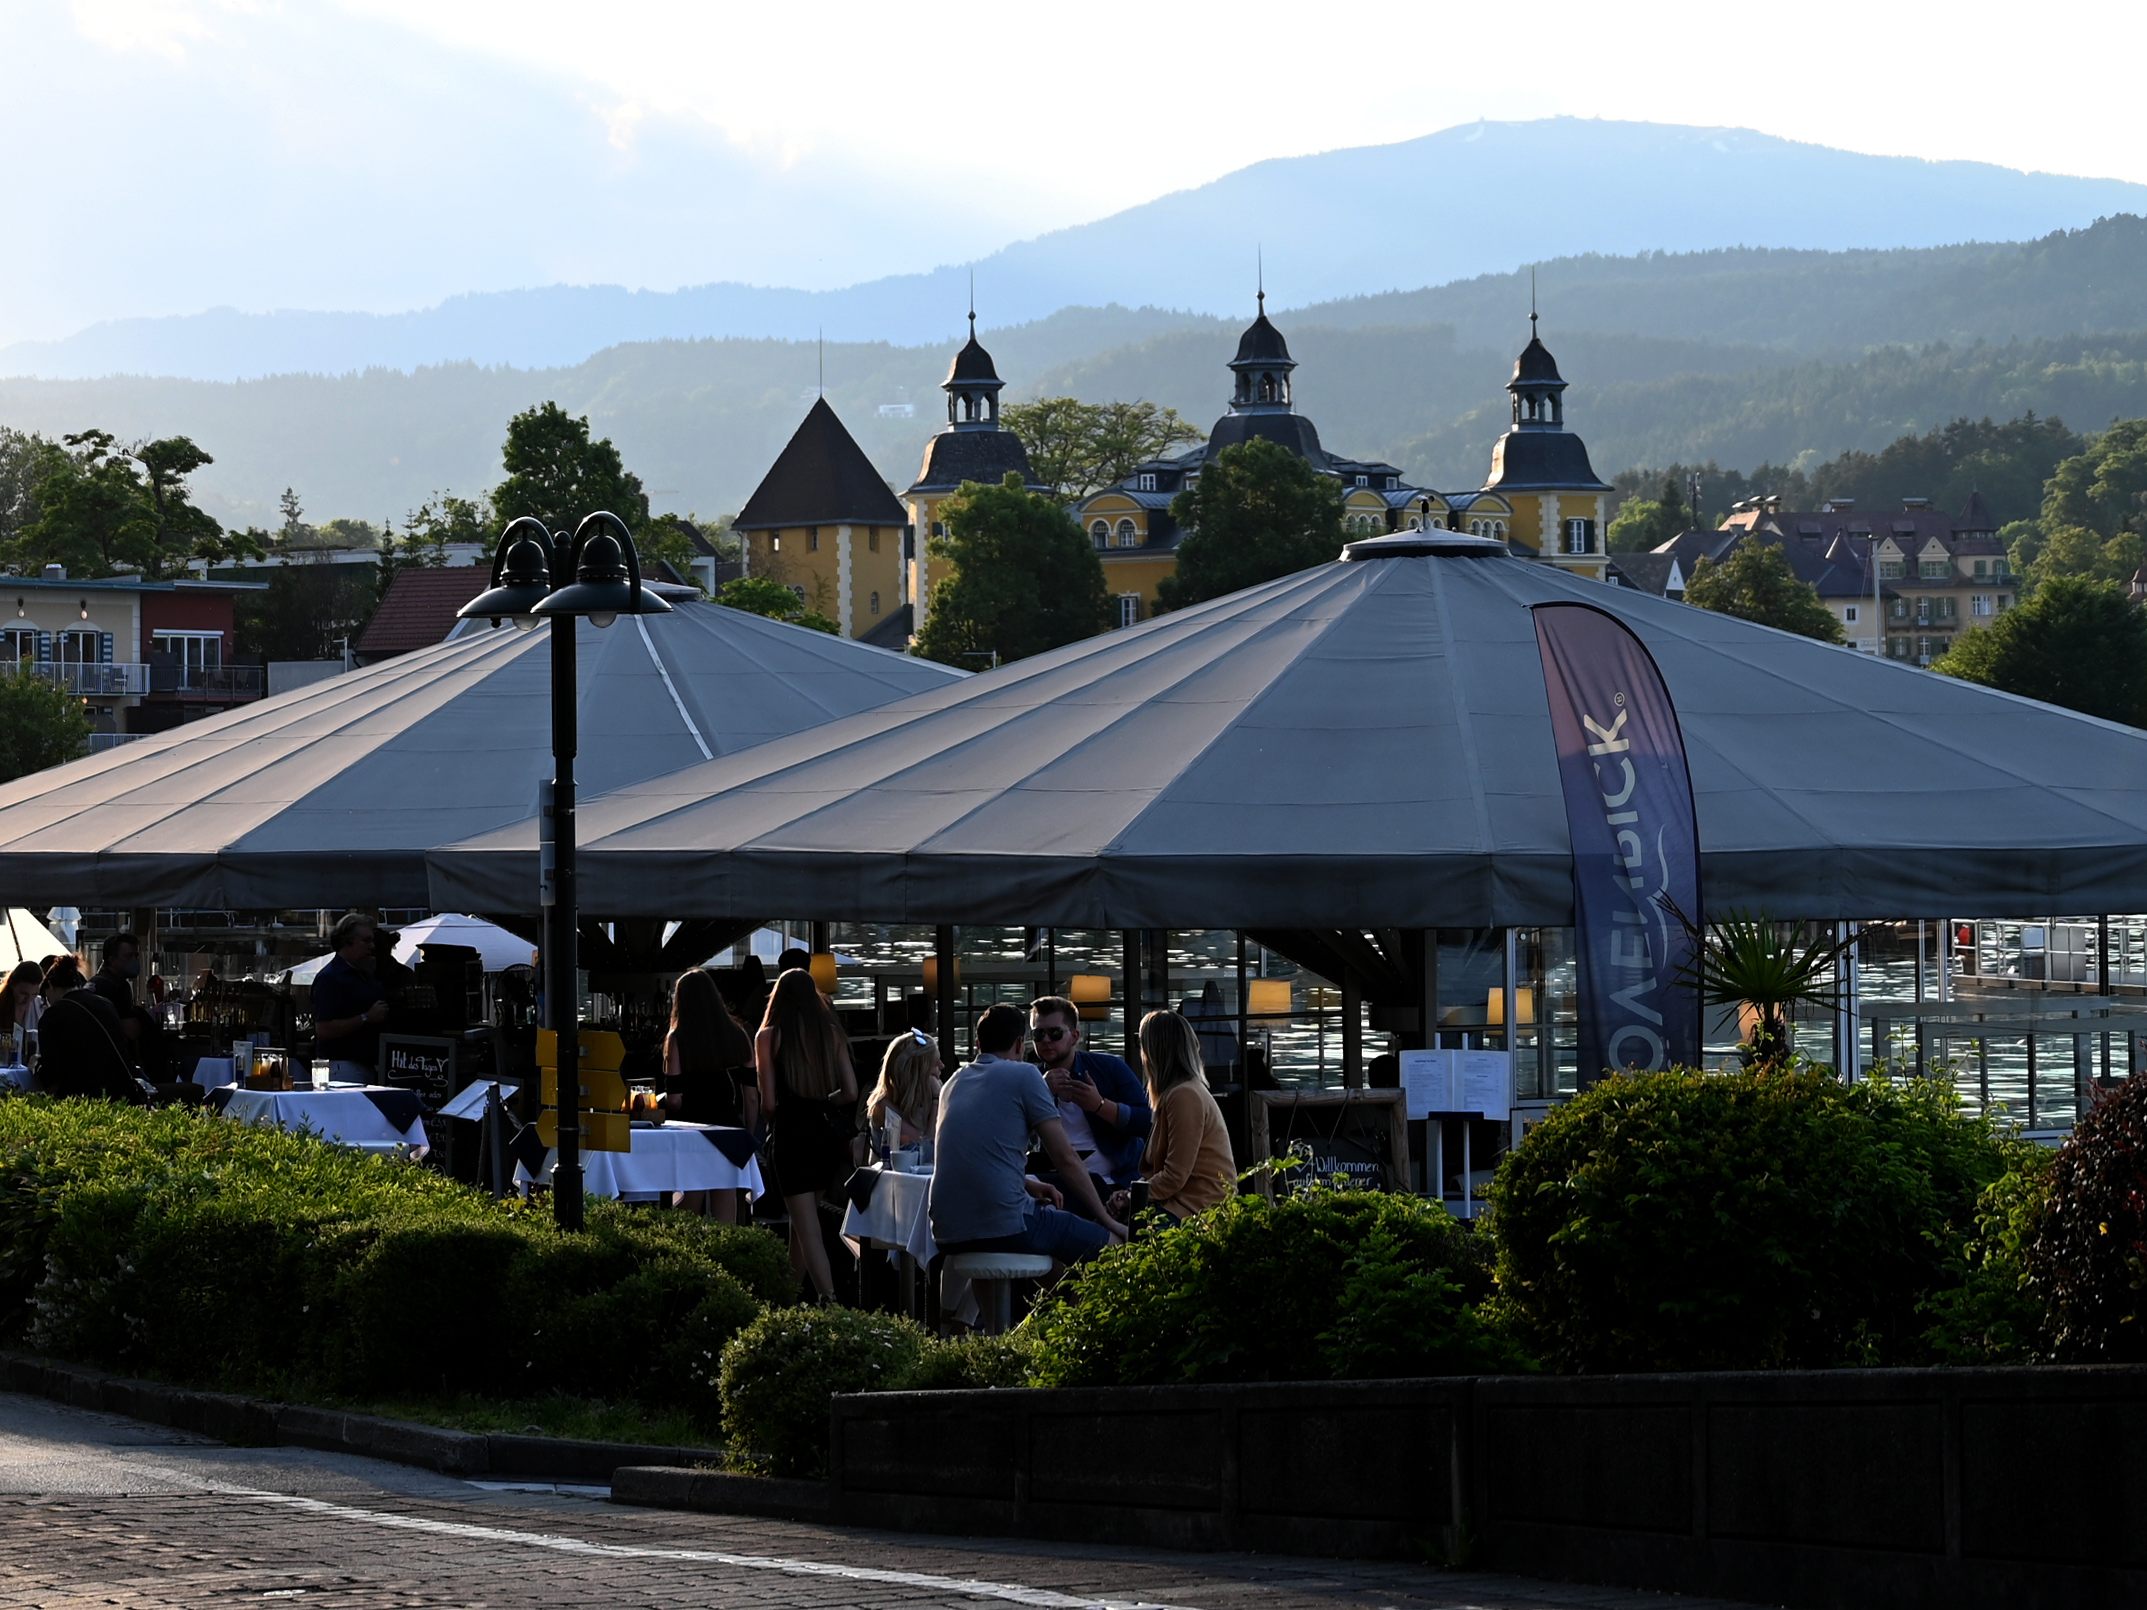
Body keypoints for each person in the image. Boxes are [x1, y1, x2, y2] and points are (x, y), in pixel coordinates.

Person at [930, 1003, 1126, 1266]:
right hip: (1006, 1224)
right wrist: (1108, 1219)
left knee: (1053, 1266)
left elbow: (974, 1154)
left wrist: (1027, 1183)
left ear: (977, 1044)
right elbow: (1065, 1158)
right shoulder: (1025, 1074)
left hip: (946, 1230)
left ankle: (1041, 1308)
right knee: (1114, 1247)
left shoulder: (953, 1082)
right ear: (1021, 1044)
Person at [756, 966, 858, 1303]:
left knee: (807, 1229)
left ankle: (830, 1303)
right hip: (822, 1133)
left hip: (790, 1134)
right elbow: (851, 1092)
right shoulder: (830, 1032)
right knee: (801, 1228)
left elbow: (768, 1103)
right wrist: (822, 1100)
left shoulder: (768, 1036)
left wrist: (789, 1106)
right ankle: (786, 1299)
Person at [1028, 994, 1152, 1198]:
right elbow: (1010, 1134)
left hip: (1114, 1182)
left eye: (1055, 1033)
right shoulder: (1030, 1079)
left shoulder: (1109, 1068)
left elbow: (1147, 1121)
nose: (1046, 1041)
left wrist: (1099, 1105)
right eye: (1038, 1034)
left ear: (1075, 1036)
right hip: (1055, 1183)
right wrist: (1041, 1090)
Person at [663, 968, 760, 1222]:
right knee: (725, 1205)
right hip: (728, 1130)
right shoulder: (739, 1035)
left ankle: (685, 1257)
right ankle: (724, 1258)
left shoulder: (677, 1038)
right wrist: (747, 1133)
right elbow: (751, 1094)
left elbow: (674, 1099)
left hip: (692, 1130)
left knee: (690, 1203)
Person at [1133, 1009, 1236, 1220]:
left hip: (1196, 1213)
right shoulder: (1180, 1092)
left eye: (1141, 1043)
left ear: (1153, 1051)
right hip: (1181, 1205)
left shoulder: (1184, 1096)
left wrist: (1132, 1196)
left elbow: (1174, 1176)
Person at [33, 958, 145, 1104]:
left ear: (50, 986)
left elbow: (52, 1071)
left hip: (81, 1097)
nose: (47, 1001)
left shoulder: (53, 1015)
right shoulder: (105, 1004)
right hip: (120, 1092)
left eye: (45, 996)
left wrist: (35, 1067)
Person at [310, 912, 390, 1083]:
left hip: (362, 1066)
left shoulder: (363, 974)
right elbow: (323, 1029)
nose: (372, 946)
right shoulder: (330, 978)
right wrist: (366, 1017)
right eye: (366, 941)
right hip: (342, 1067)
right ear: (348, 941)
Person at [867, 1028, 942, 1150]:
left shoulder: (923, 1099)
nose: (942, 1066)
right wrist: (936, 1100)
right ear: (916, 1073)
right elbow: (926, 1148)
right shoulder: (884, 1106)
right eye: (935, 1063)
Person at [87, 931, 142, 1013]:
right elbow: (126, 1024)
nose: (134, 960)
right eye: (128, 956)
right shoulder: (118, 988)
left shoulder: (94, 983)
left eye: (136, 956)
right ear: (112, 959)